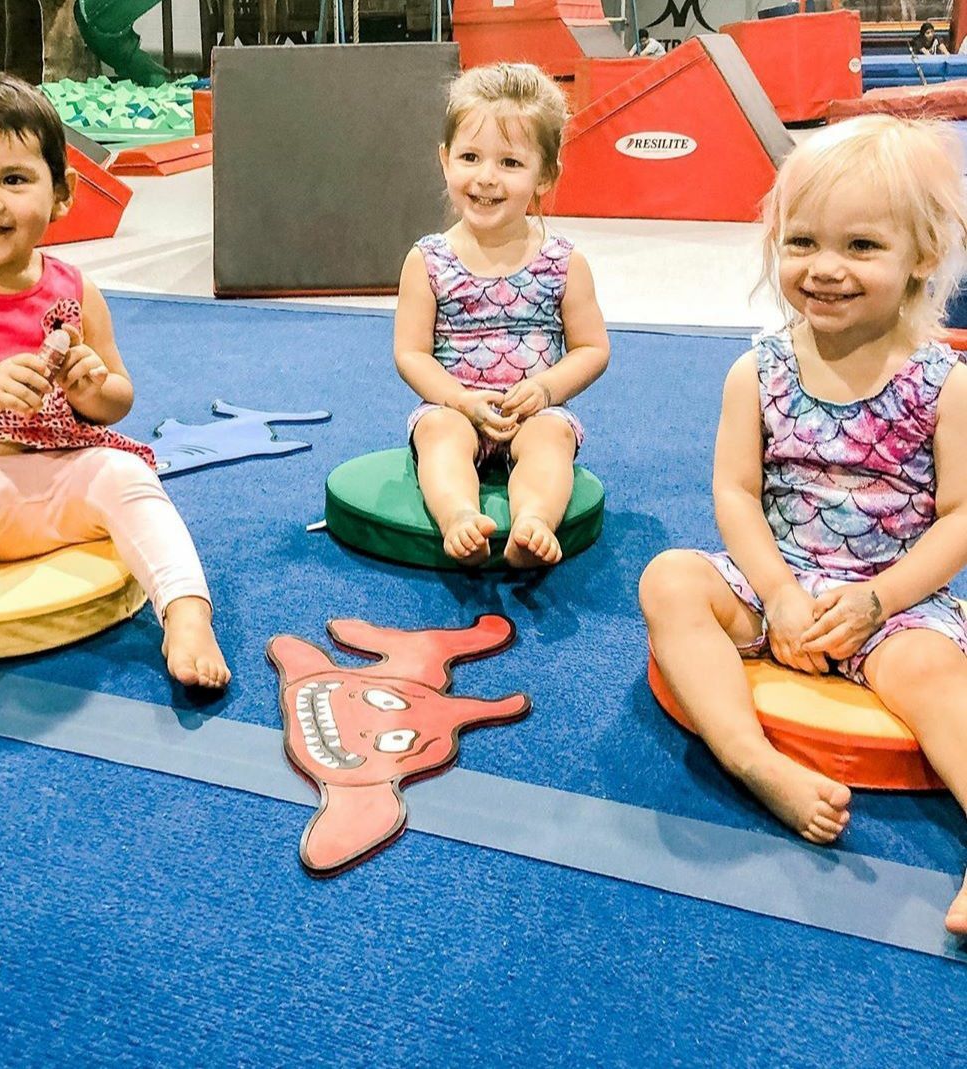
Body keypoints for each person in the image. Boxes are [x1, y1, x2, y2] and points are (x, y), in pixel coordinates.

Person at [638, 116, 967, 935]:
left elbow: (962, 515)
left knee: (935, 676)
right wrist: (780, 596)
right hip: (775, 579)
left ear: (922, 258)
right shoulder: (759, 370)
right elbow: (737, 494)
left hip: (889, 604)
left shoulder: (943, 383)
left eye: (861, 246)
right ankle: (755, 761)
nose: (824, 268)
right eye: (801, 242)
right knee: (669, 579)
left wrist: (878, 600)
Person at [0, 72, 231, 758]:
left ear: (62, 193)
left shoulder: (77, 290)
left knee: (127, 476)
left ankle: (188, 615)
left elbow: (117, 399)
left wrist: (92, 384)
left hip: (65, 482)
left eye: (15, 179)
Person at [393, 63, 610, 569]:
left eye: (510, 162)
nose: (486, 177)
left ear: (546, 174)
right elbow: (410, 353)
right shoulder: (427, 260)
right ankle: (460, 519)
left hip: (531, 412)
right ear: (445, 161)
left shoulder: (563, 262)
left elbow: (592, 348)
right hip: (456, 407)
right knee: (439, 436)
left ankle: (533, 521)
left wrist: (546, 390)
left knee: (551, 440)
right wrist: (459, 400)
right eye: (470, 157)